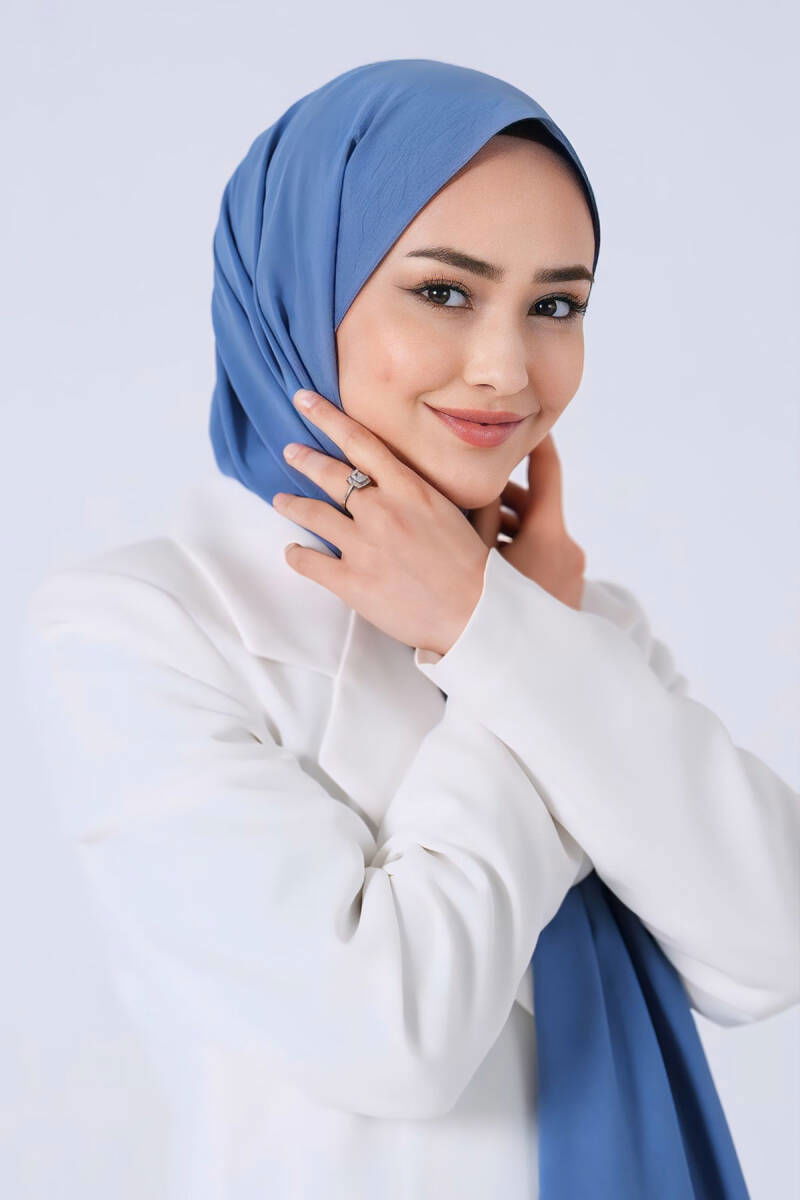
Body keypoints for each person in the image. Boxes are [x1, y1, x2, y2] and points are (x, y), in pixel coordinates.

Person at [20, 59, 799, 1200]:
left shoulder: (573, 617)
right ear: (300, 286)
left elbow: (768, 946)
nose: (505, 369)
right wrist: (499, 636)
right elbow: (395, 1034)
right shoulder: (141, 627)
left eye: (555, 305)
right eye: (442, 291)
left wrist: (505, 626)